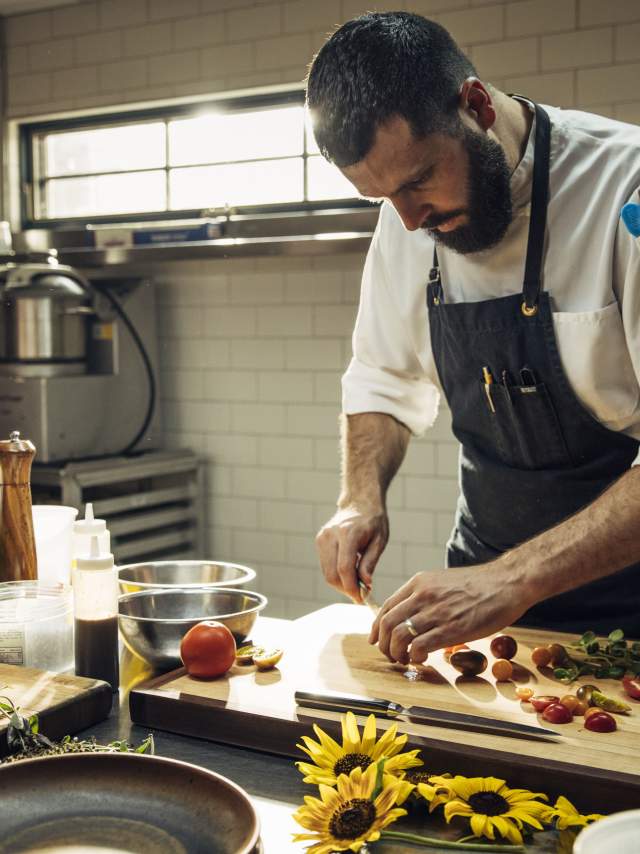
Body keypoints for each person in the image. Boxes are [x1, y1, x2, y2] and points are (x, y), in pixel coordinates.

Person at [307, 11, 640, 666]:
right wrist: (359, 497)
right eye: (381, 199)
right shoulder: (408, 220)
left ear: (477, 105)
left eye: (417, 181)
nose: (408, 222)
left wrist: (512, 580)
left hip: (629, 609)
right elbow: (383, 377)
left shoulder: (625, 189)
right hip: (483, 607)